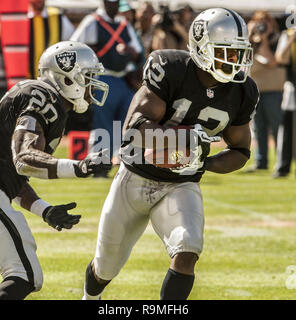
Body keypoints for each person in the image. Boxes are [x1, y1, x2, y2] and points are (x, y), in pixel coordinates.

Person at [82, 8, 259, 300]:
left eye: (239, 54)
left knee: (188, 247)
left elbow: (240, 150)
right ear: (202, 47)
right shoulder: (171, 66)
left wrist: (202, 161)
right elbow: (135, 128)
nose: (235, 62)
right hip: (136, 177)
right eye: (226, 52)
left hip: (182, 183)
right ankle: (90, 298)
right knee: (106, 266)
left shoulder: (243, 91)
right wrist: (184, 139)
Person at [0, 41, 110, 300]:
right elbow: (24, 158)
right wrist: (79, 167)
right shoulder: (45, 97)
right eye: (88, 77)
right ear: (68, 77)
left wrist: (43, 209)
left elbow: (13, 175)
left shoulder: (44, 98)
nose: (93, 85)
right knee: (24, 275)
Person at [71, 0, 143, 177]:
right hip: (102, 78)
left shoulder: (123, 24)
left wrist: (130, 51)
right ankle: (99, 167)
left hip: (124, 80)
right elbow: (75, 47)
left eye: (117, 2)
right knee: (103, 125)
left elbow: (139, 52)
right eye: (111, 2)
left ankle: (125, 166)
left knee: (127, 124)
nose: (114, 5)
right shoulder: (92, 21)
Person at [246, 11, 285, 172]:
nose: (262, 24)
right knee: (258, 128)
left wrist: (263, 40)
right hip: (256, 92)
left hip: (274, 91)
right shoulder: (252, 41)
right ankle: (261, 162)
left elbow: (272, 61)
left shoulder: (277, 39)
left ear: (272, 23)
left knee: (277, 128)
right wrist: (249, 32)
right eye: (258, 21)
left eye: (265, 21)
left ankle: (282, 161)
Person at [273, 26, 296, 178]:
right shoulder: (287, 35)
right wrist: (292, 39)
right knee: (287, 128)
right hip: (293, 87)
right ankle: (283, 166)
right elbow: (280, 58)